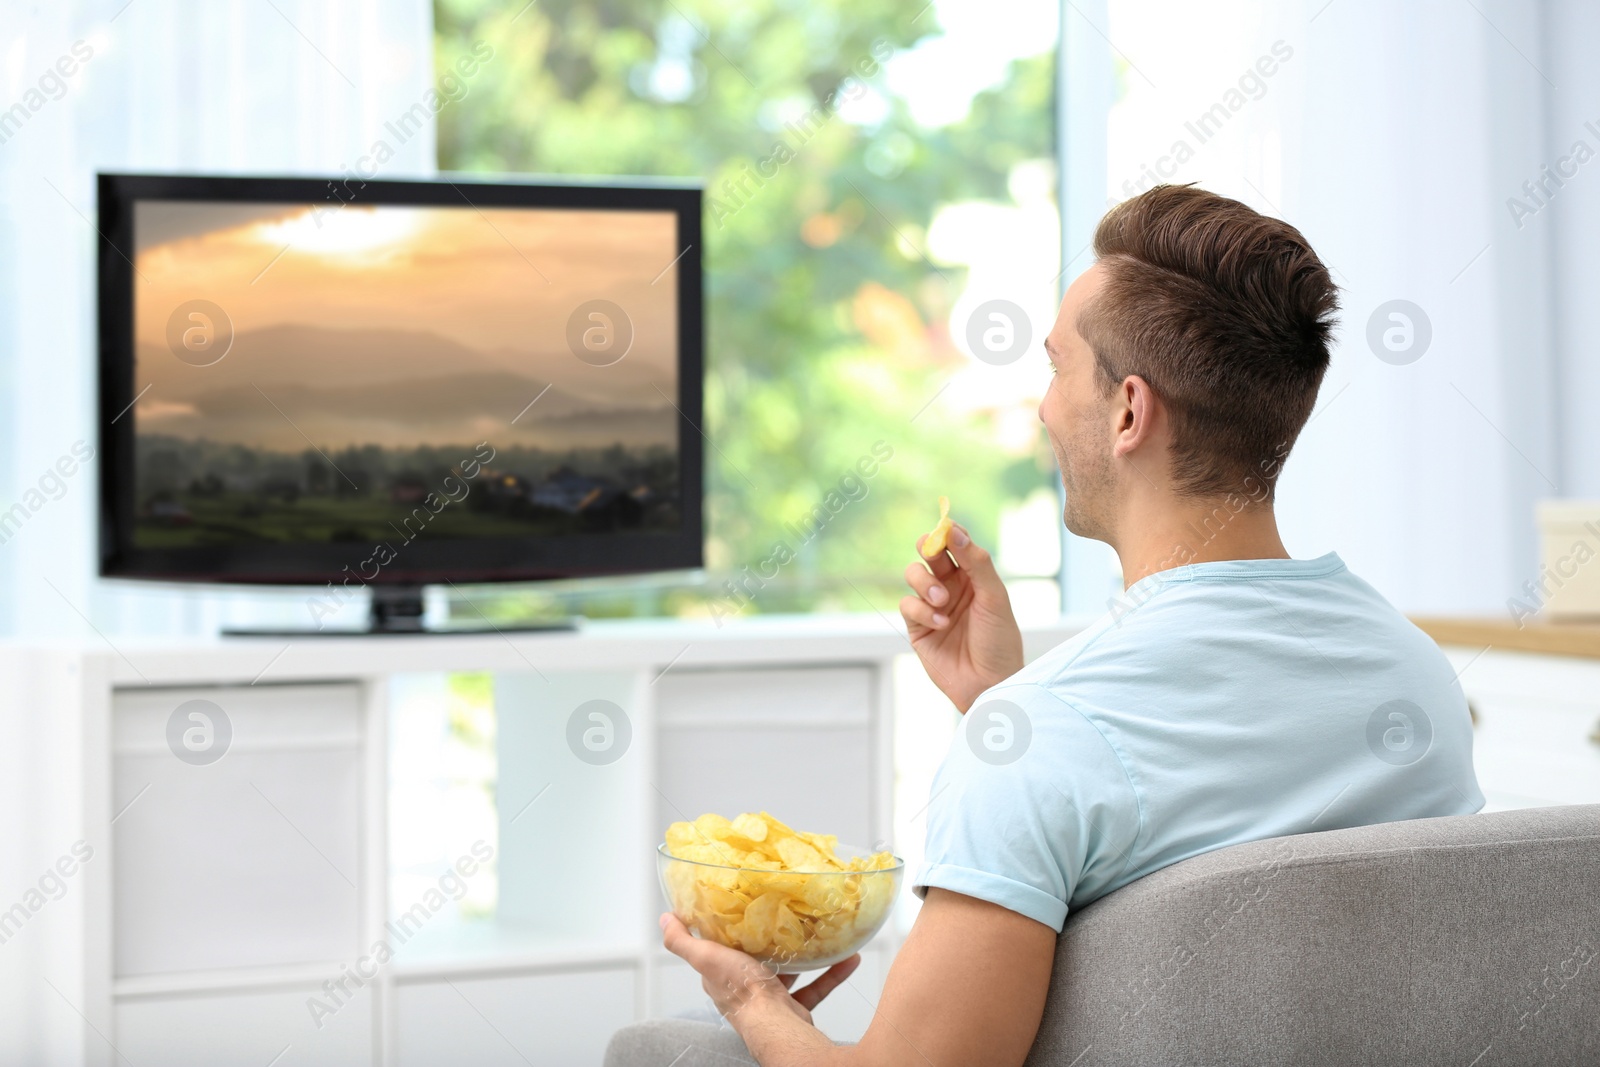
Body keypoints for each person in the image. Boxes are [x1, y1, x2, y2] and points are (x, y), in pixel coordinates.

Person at [608, 184, 1483, 1066]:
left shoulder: (1045, 740)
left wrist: (754, 998)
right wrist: (1001, 702)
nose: (1043, 406)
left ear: (1129, 411)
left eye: (1057, 367)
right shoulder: (1415, 677)